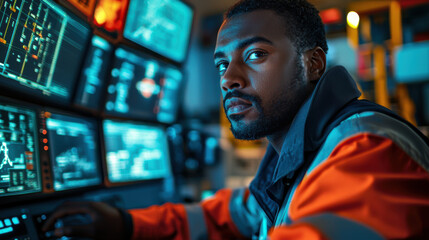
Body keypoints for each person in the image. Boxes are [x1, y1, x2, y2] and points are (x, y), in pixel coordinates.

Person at [43, 0, 429, 239]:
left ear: (313, 64)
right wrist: (125, 225)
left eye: (256, 55)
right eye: (222, 63)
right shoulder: (293, 160)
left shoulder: (364, 150)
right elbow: (227, 215)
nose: (228, 79)